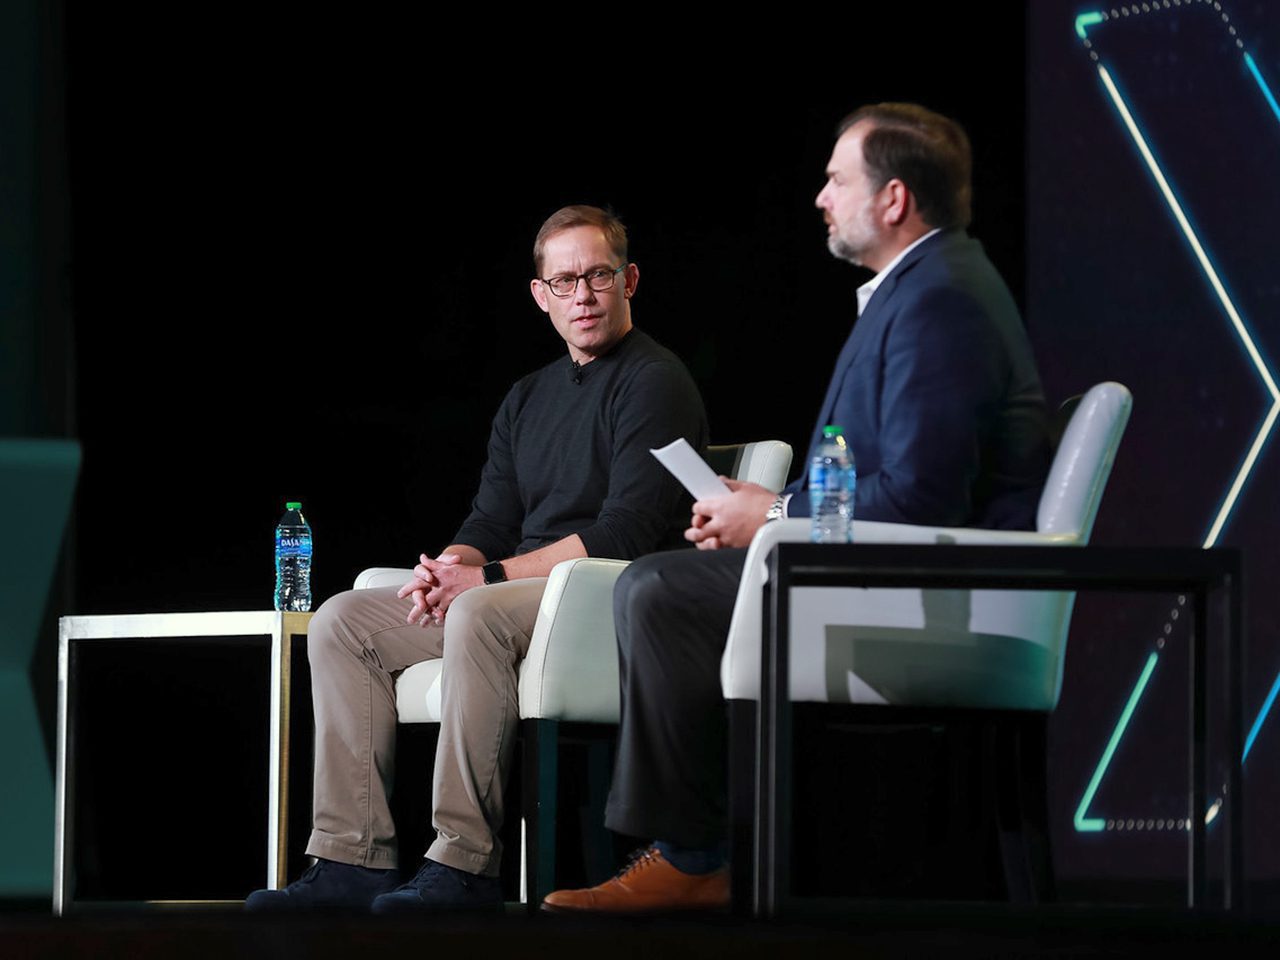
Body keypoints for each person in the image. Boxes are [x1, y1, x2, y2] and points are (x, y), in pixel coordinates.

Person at [541, 104, 1051, 914]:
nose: (819, 197)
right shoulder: (921, 288)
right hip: (888, 567)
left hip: (937, 594)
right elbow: (878, 475)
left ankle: (694, 855)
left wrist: (773, 522)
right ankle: (698, 852)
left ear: (892, 199)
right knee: (671, 582)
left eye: (836, 180)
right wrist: (770, 504)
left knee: (658, 590)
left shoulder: (941, 300)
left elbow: (922, 497)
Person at [246, 205, 709, 914]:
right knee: (343, 620)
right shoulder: (528, 397)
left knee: (481, 616)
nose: (582, 295)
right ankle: (352, 859)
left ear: (630, 280)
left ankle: (465, 864)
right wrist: (446, 568)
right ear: (539, 294)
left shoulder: (654, 381)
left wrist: (482, 580)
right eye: (564, 281)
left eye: (598, 276)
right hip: (523, 589)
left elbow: (627, 533)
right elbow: (491, 519)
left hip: (605, 593)